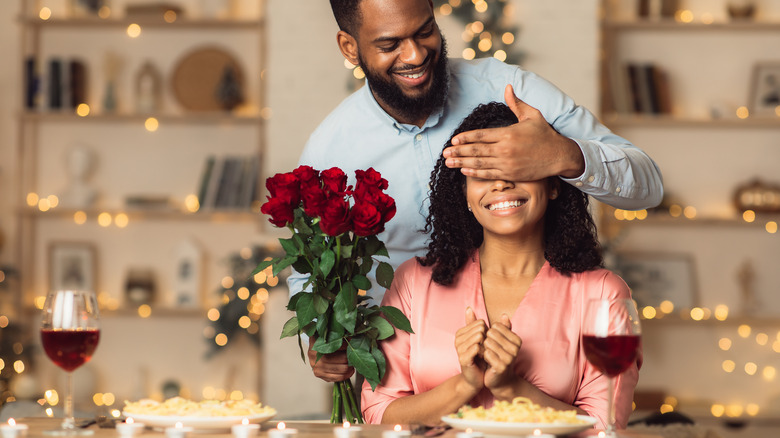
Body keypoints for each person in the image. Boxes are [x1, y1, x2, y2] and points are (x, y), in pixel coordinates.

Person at [295, 0, 661, 383]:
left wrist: (563, 154)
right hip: (406, 368)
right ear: (349, 47)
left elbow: (648, 185)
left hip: (540, 354)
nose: (416, 55)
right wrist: (320, 337)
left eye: (424, 32)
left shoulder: (512, 92)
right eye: (390, 45)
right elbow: (312, 263)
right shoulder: (329, 151)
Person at [360, 102, 641, 428]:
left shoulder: (604, 294)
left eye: (518, 168)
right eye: (482, 172)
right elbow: (379, 415)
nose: (501, 183)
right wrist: (464, 385)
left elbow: (606, 427)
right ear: (464, 194)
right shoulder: (413, 282)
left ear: (552, 185)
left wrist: (512, 388)